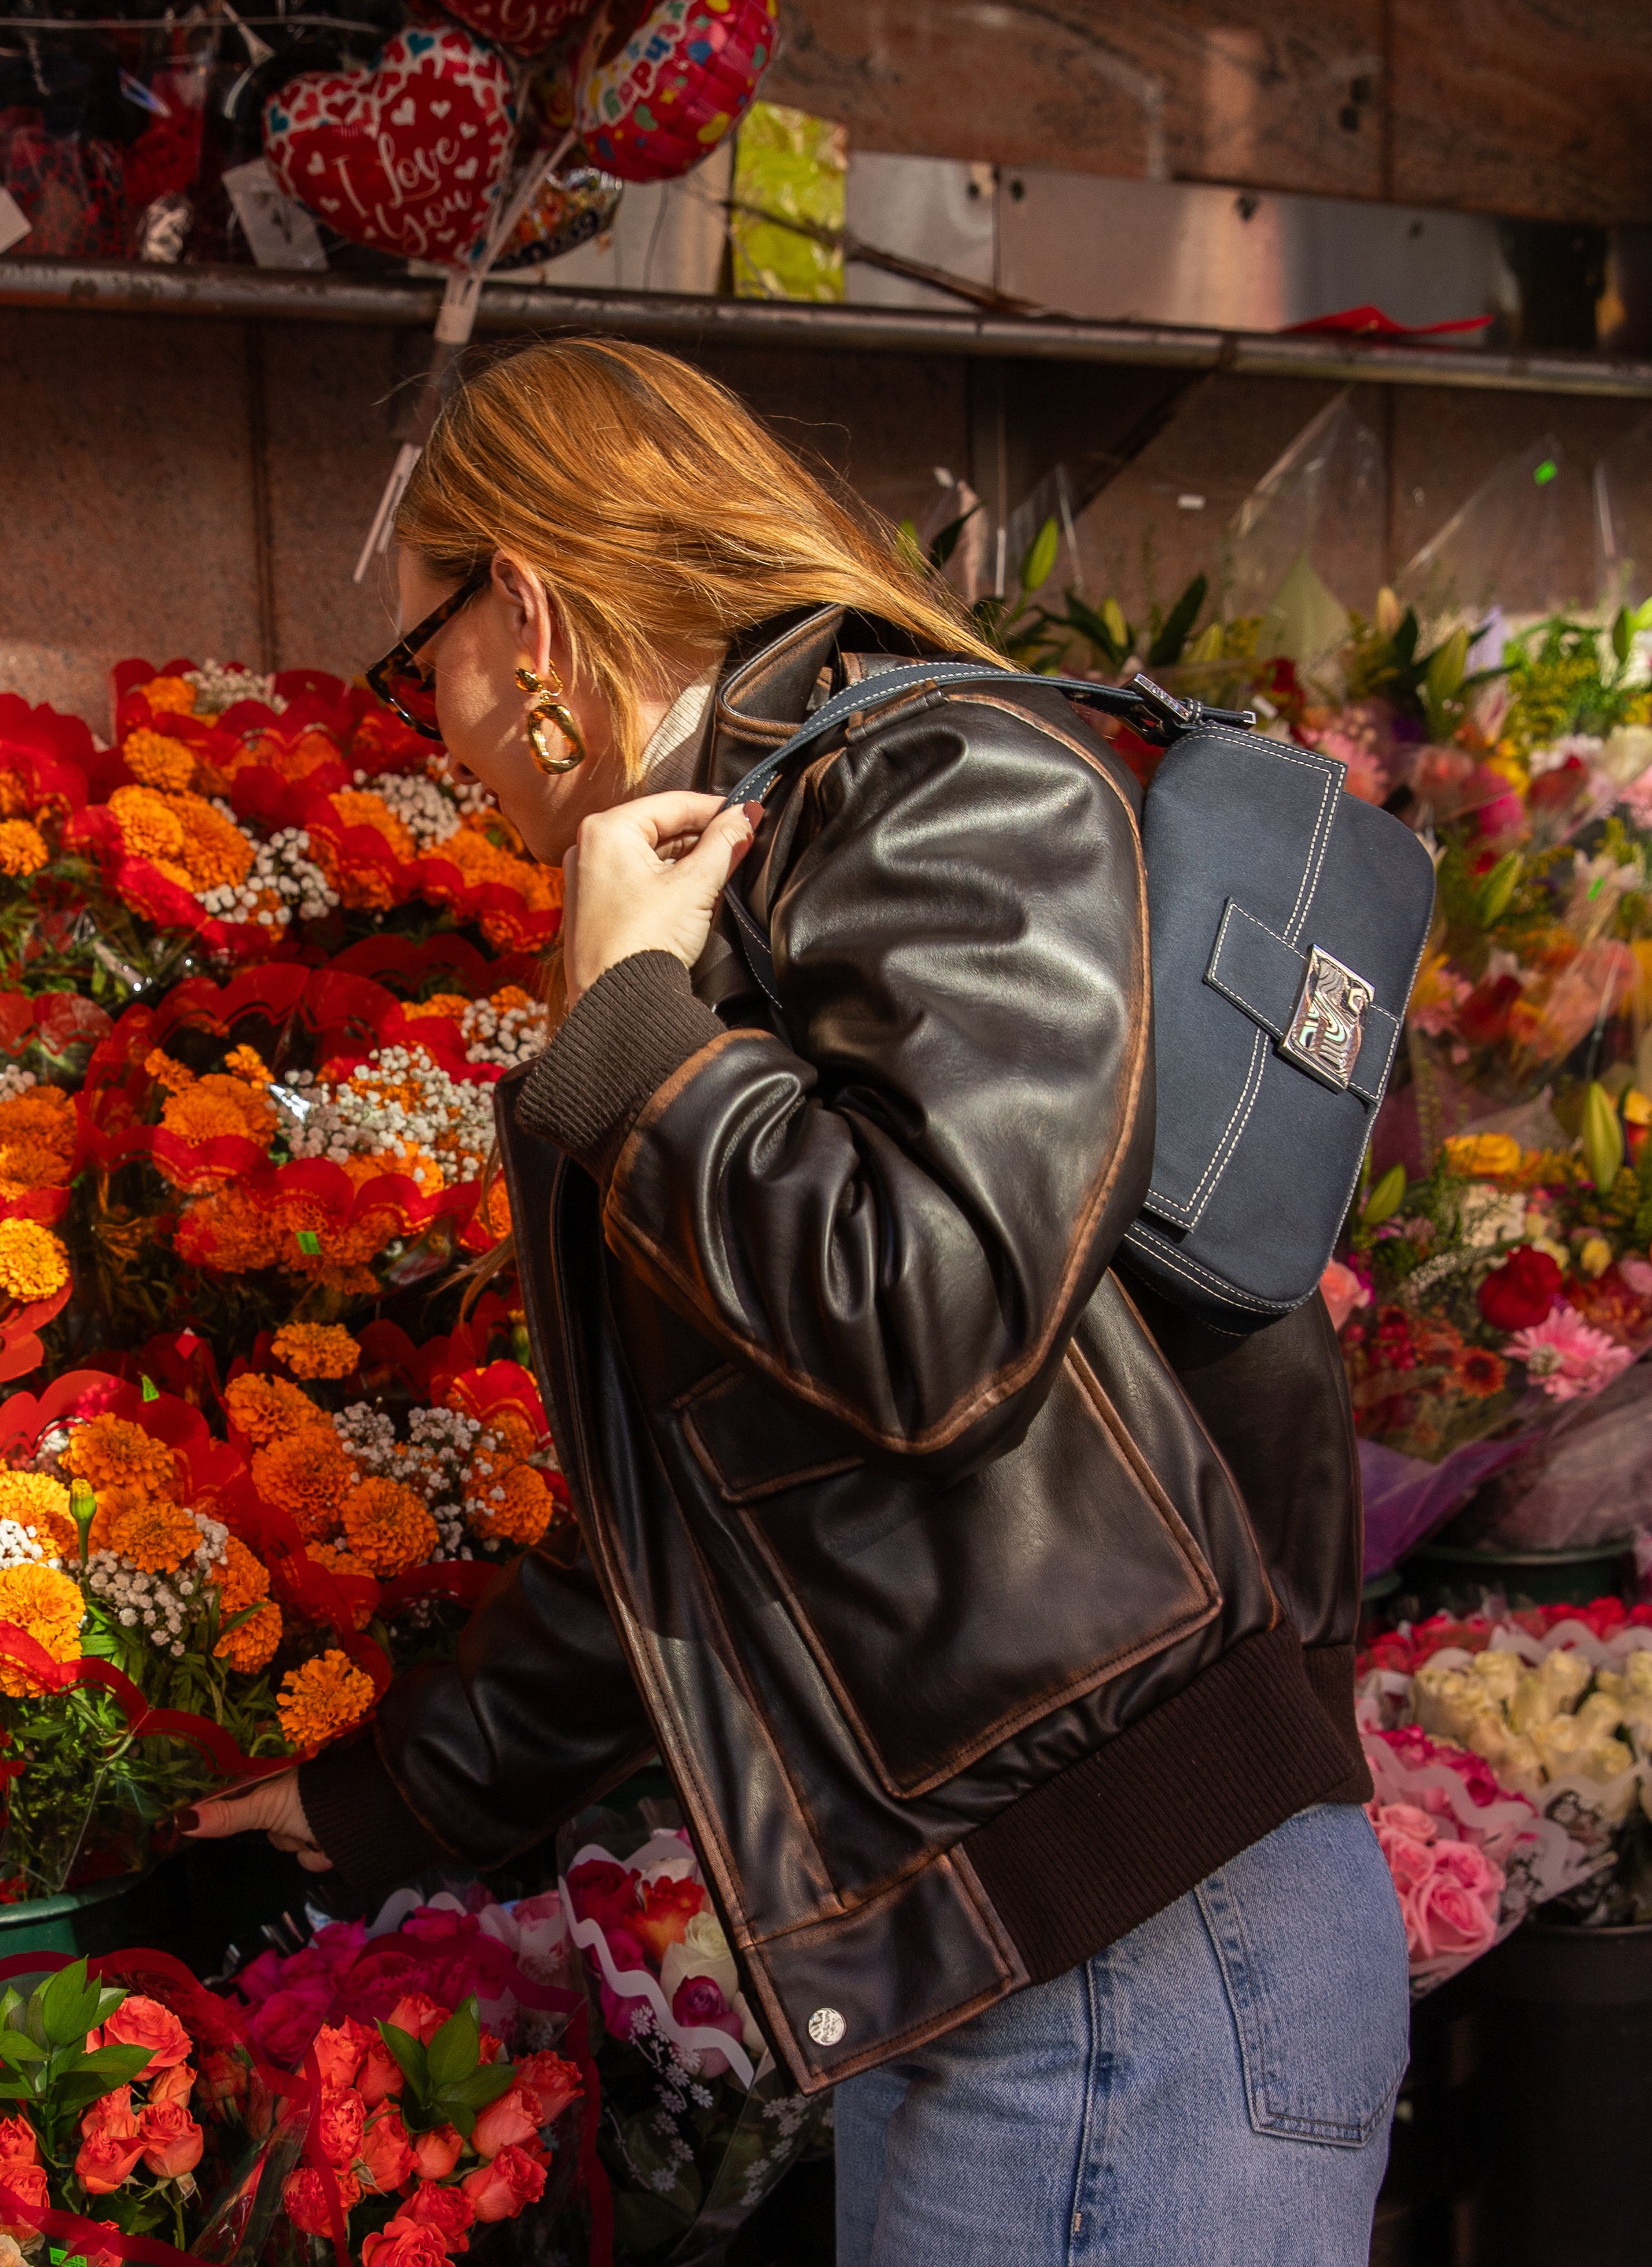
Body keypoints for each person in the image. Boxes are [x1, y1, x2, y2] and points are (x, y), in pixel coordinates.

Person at [183, 336, 1408, 2264]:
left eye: (415, 661)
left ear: (525, 613)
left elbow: (936, 1316)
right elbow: (717, 1496)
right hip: (1033, 1947)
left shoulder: (942, 779)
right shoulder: (741, 868)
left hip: (1126, 1958)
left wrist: (634, 1043)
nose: (436, 728)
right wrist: (388, 1800)